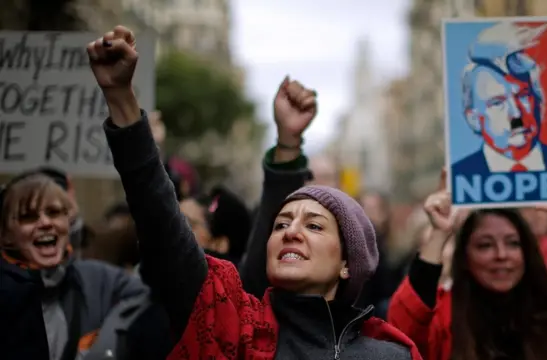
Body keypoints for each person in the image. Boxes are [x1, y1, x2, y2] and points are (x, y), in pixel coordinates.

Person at [88, 26, 422, 360]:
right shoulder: (231, 329)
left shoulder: (389, 355)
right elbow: (160, 221)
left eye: (315, 226)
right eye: (280, 225)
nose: (290, 231)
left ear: (348, 263)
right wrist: (121, 99)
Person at [387, 167, 547, 360]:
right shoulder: (444, 322)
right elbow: (403, 328)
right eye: (485, 245)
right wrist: (439, 234)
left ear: (528, 253)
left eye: (513, 243)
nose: (501, 255)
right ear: (465, 258)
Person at [0, 171, 152, 360]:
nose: (45, 223)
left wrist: (106, 343)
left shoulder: (98, 279)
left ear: (69, 221)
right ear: (6, 235)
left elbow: (151, 297)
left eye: (54, 212)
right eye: (28, 216)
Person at [452, 22, 547, 174]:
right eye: (497, 103)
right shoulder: (460, 176)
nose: (516, 114)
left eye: (523, 95)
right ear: (474, 119)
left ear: (537, 100)